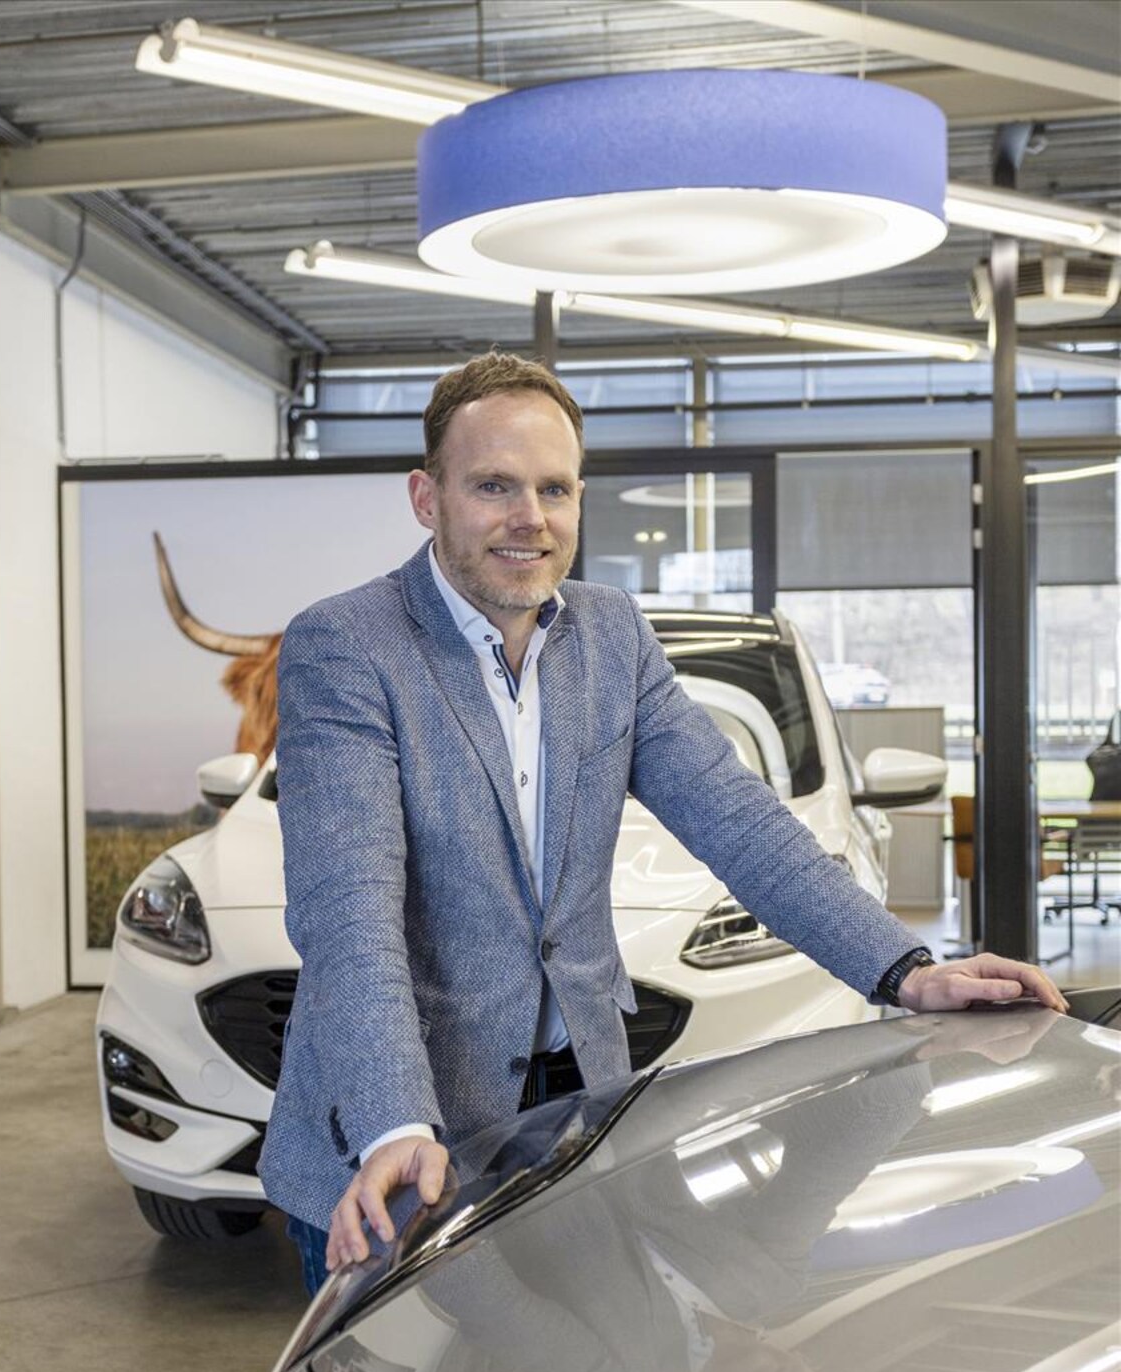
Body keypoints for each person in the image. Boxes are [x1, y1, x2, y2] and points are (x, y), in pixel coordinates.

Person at [258, 353, 1067, 1295]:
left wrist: (908, 971)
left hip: (576, 1115)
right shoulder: (346, 645)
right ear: (426, 498)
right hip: (403, 1147)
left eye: (554, 489)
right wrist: (396, 1122)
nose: (530, 518)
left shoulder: (610, 634)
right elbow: (350, 910)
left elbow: (737, 819)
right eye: (493, 486)